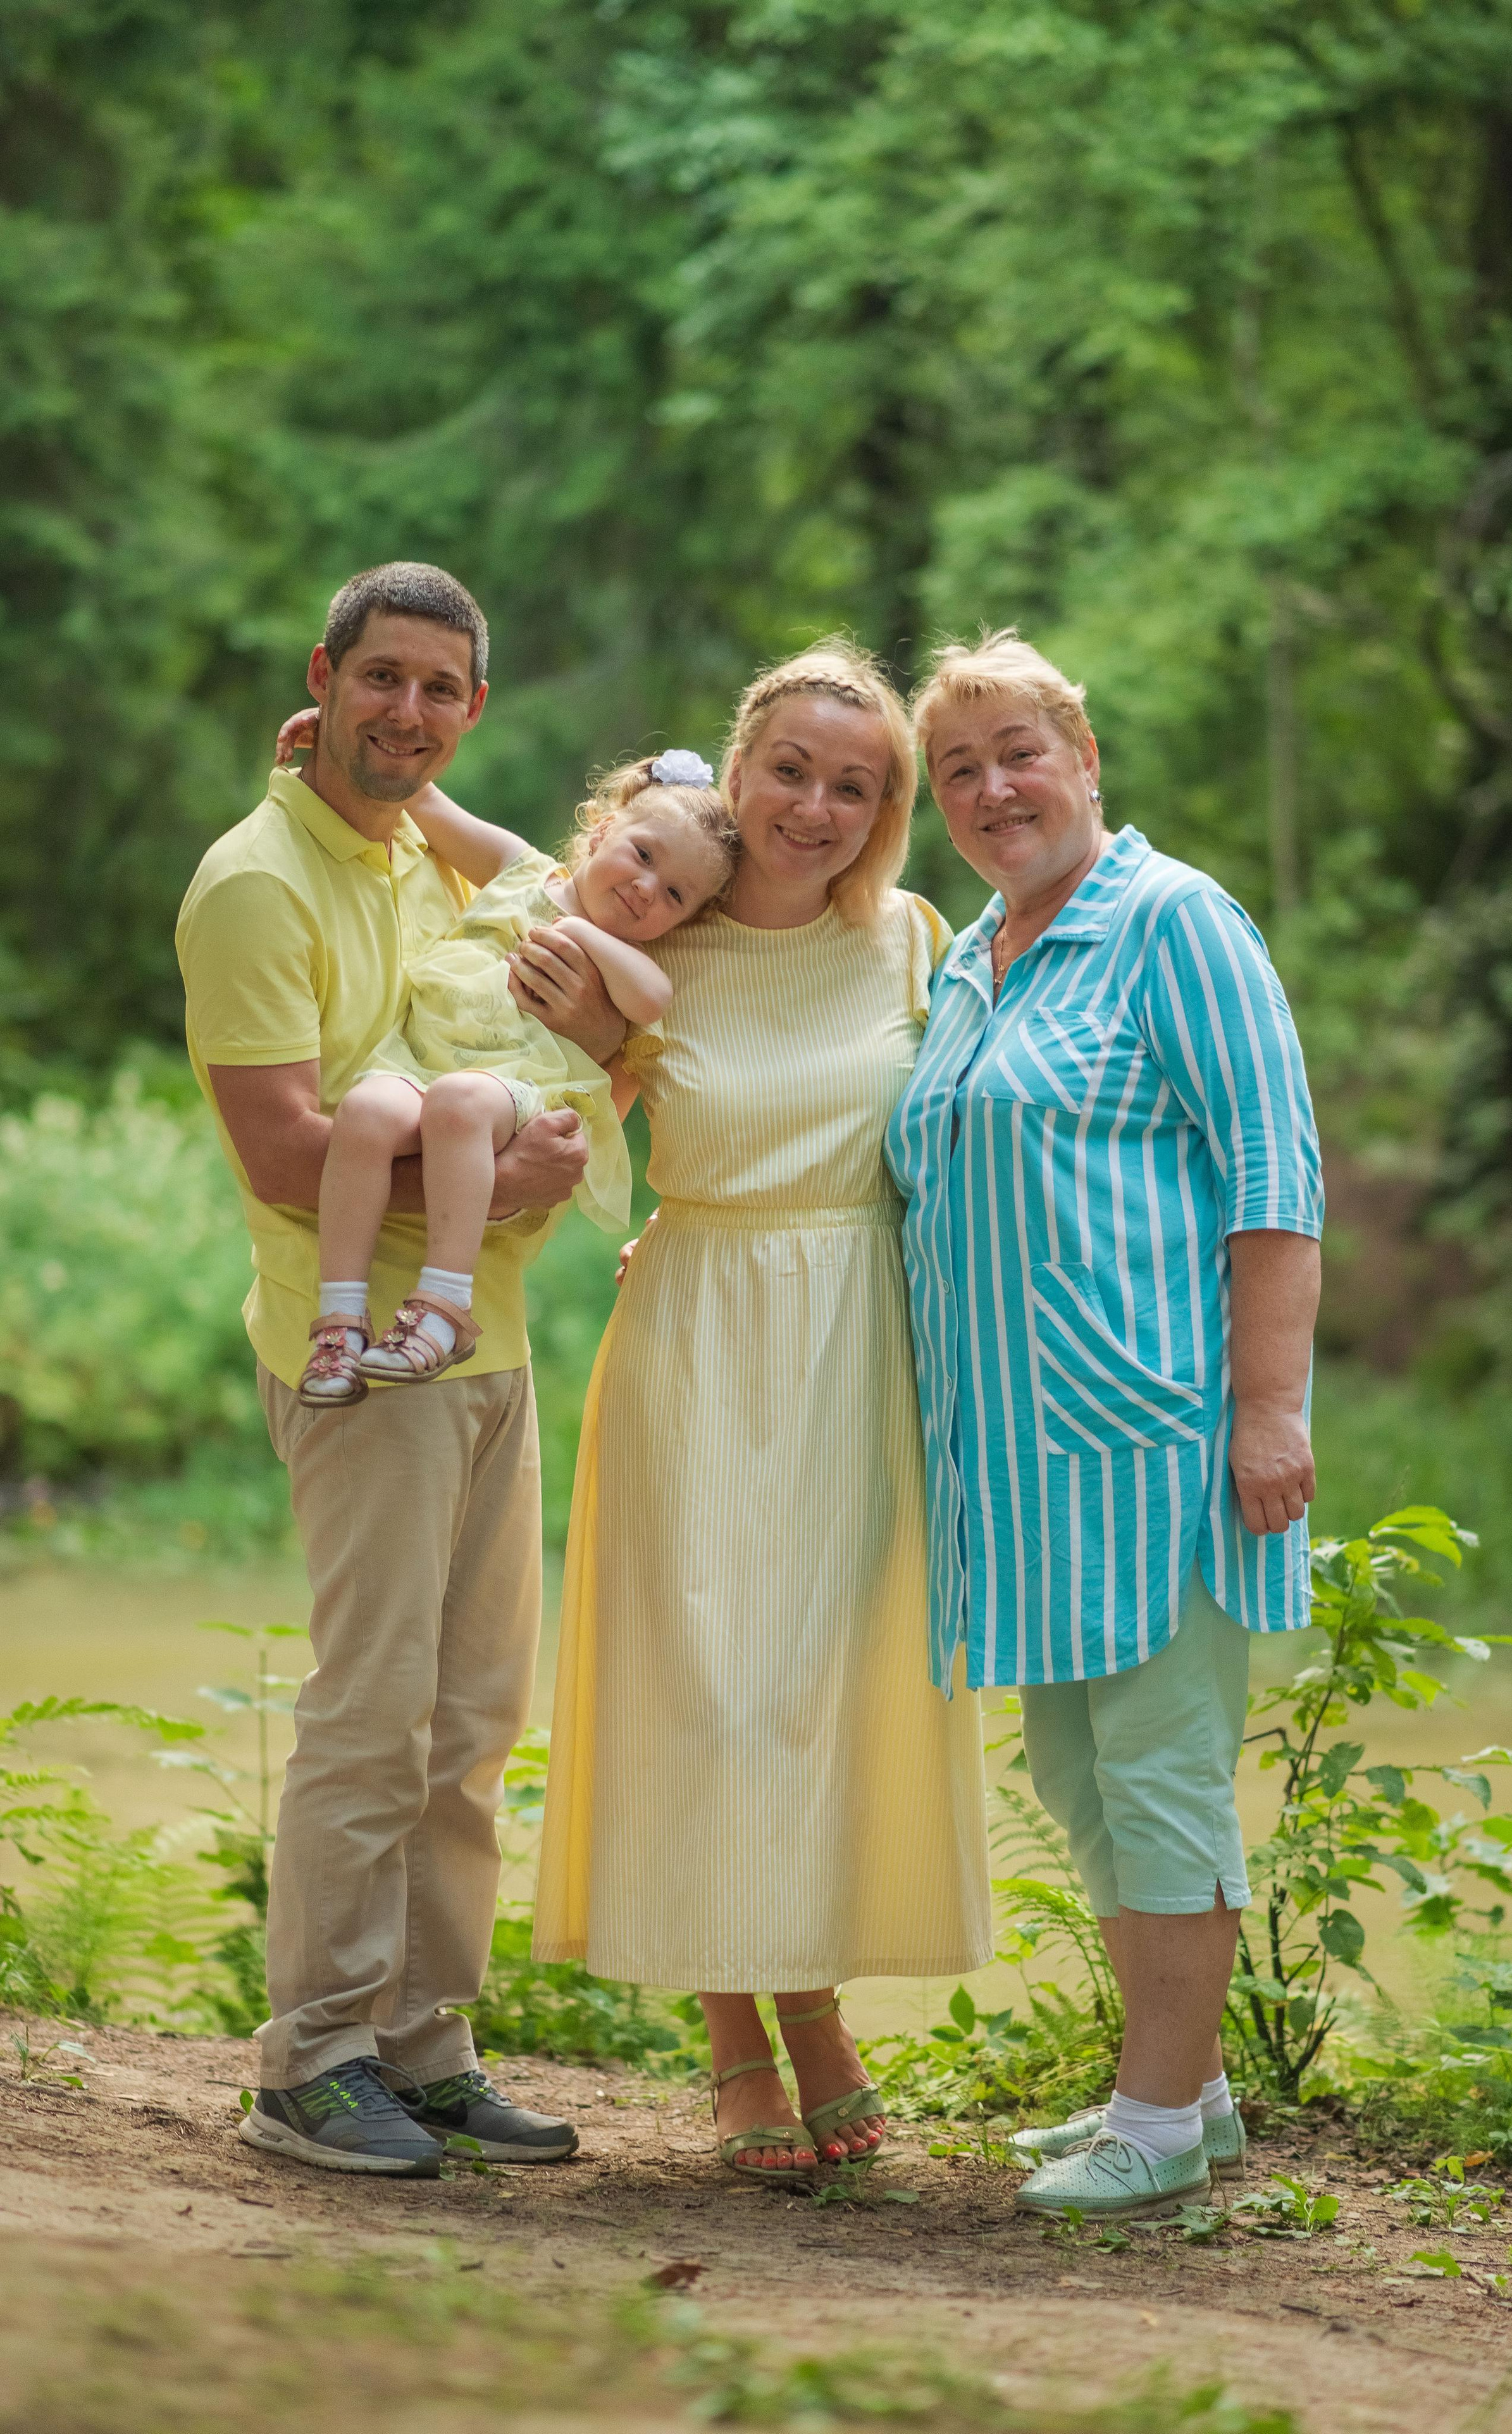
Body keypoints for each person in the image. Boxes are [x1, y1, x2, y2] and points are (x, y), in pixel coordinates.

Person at [526, 640, 994, 2185]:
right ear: (732, 776)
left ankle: (802, 1998)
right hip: (696, 1333)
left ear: (886, 810)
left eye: (851, 784)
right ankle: (763, 2026)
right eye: (787, 769)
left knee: (821, 1678)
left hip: (861, 1347)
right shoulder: (639, 937)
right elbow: (548, 1104)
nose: (813, 804)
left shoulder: (919, 942)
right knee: (711, 1686)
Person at [886, 631, 1322, 2224]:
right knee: (1076, 1772)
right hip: (1013, 1466)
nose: (995, 786)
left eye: (1019, 749)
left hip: (1153, 1441)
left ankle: (1148, 2122)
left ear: (1083, 754)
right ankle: (1181, 2093)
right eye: (960, 768)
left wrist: (1266, 1409)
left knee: (1157, 1776)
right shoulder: (973, 956)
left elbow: (1274, 1180)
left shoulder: (1173, 921)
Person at [176, 561, 604, 2179]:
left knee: (473, 1719)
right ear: (323, 676)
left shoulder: (419, 848)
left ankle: (425, 2048)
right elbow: (284, 1147)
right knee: (372, 1716)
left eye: (440, 687)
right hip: (358, 1358)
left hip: (482, 1346)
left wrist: (424, 784)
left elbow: (588, 874)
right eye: (381, 679)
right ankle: (312, 2060)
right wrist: (523, 1184)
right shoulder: (254, 884)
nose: (406, 711)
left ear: (471, 708)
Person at [260, 744, 736, 1406]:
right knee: (366, 1112)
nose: (646, 887)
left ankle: (444, 1305)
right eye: (644, 855)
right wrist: (328, 736)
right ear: (603, 832)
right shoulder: (519, 870)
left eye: (675, 894)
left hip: (517, 1089)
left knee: (458, 1102)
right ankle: (339, 1320)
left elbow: (653, 997)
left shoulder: (625, 958)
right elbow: (425, 803)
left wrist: (585, 933)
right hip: (418, 1062)